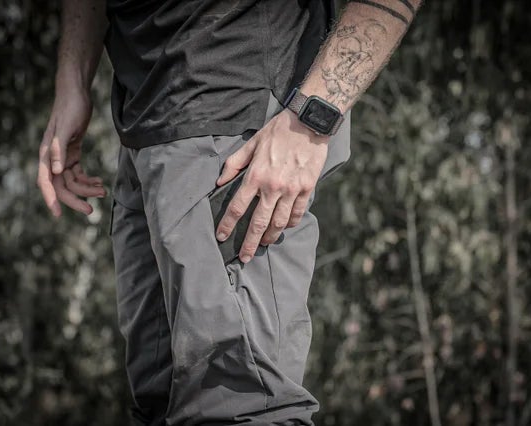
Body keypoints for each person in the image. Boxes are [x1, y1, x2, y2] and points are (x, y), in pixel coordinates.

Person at [36, 0, 421, 424]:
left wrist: (314, 115)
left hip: (238, 124)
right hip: (144, 123)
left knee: (240, 403)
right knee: (159, 404)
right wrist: (71, 81)